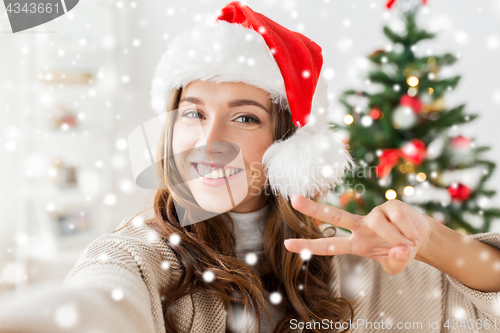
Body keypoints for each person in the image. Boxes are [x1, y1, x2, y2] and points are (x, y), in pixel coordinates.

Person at [1, 2, 500, 333]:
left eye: (244, 117)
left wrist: (434, 243)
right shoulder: (139, 256)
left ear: (285, 143)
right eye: (194, 113)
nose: (209, 141)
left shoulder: (347, 259)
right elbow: (96, 306)